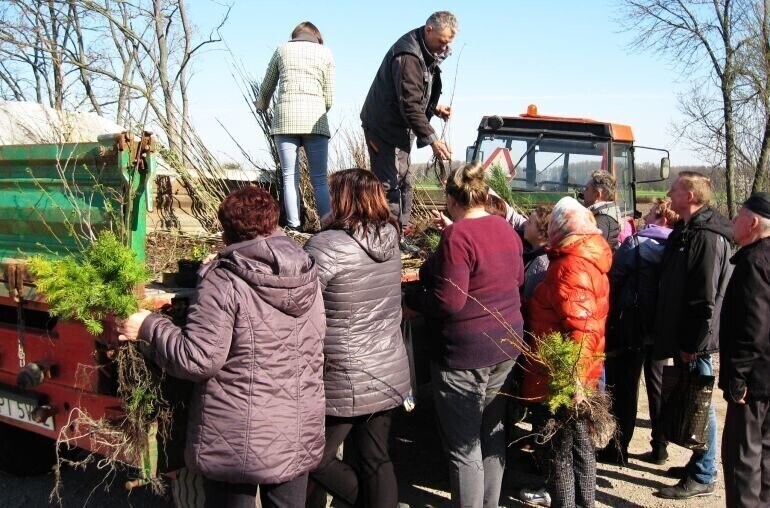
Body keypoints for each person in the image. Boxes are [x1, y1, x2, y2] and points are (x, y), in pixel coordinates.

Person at [116, 187, 326, 508]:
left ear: (226, 231)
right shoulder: (307, 271)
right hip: (298, 425)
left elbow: (198, 358)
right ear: (274, 222)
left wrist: (148, 325)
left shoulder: (224, 280)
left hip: (238, 435)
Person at [405, 162, 524, 508]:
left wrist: (412, 302)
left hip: (466, 353)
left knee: (463, 445)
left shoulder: (457, 236)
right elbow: (517, 279)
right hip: (506, 344)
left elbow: (449, 301)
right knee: (491, 432)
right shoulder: (504, 228)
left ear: (451, 199)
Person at [303, 168, 411, 508]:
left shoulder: (326, 245)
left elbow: (301, 301)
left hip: (344, 372)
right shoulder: (391, 238)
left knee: (311, 456)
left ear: (343, 199)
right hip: (386, 366)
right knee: (375, 457)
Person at [521, 196, 611, 508]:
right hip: (576, 374)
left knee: (560, 453)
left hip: (563, 378)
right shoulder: (586, 257)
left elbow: (582, 330)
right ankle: (584, 503)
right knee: (580, 445)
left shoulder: (570, 266)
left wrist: (574, 381)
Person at [654, 171, 732, 500]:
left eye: (674, 189)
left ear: (689, 196)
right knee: (690, 400)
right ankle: (697, 463)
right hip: (686, 336)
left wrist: (693, 344)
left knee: (700, 402)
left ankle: (704, 473)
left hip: (696, 340)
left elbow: (706, 296)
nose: (668, 193)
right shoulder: (688, 230)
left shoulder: (707, 236)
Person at [360, 11, 456, 249]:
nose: (445, 48)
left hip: (401, 128)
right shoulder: (408, 55)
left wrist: (433, 108)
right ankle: (386, 241)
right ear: (429, 30)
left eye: (448, 43)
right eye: (442, 41)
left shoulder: (427, 51)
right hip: (383, 127)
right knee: (388, 185)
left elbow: (415, 94)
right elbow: (409, 104)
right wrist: (432, 140)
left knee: (405, 182)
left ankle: (400, 235)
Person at [599, 198, 679, 466]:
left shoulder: (636, 243)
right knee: (657, 387)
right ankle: (660, 447)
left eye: (652, 214)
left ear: (663, 218)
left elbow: (614, 277)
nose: (646, 218)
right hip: (660, 326)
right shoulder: (676, 246)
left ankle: (619, 449)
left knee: (626, 387)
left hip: (632, 324)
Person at [255, 21, 334, 232]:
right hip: (315, 121)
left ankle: (294, 227)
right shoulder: (325, 53)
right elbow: (329, 97)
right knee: (320, 179)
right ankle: (327, 227)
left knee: (290, 177)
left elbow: (268, 85)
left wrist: (261, 105)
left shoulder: (282, 50)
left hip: (285, 120)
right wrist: (320, 108)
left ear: (295, 35)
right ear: (317, 36)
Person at [719, 192, 770, 508]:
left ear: (752, 223)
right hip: (766, 377)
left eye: (738, 216)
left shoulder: (754, 262)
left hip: (754, 381)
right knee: (765, 457)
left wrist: (737, 378)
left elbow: (753, 326)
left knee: (743, 460)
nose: (732, 221)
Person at [583, 170, 624, 251]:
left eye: (586, 189)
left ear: (597, 194)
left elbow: (590, 252)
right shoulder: (607, 213)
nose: (583, 192)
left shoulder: (600, 220)